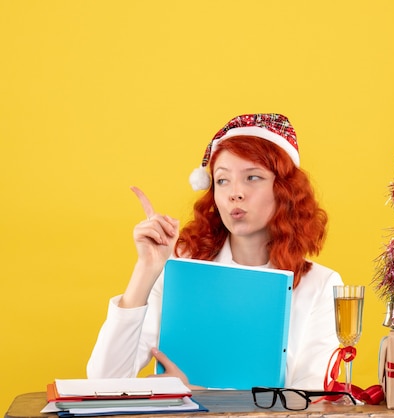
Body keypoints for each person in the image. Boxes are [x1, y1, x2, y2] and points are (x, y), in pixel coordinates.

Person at [87, 113, 343, 390]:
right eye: (222, 180)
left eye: (252, 177)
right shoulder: (181, 272)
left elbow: (311, 401)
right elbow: (104, 380)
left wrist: (204, 397)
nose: (235, 193)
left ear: (285, 191)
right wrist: (146, 270)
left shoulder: (321, 285)